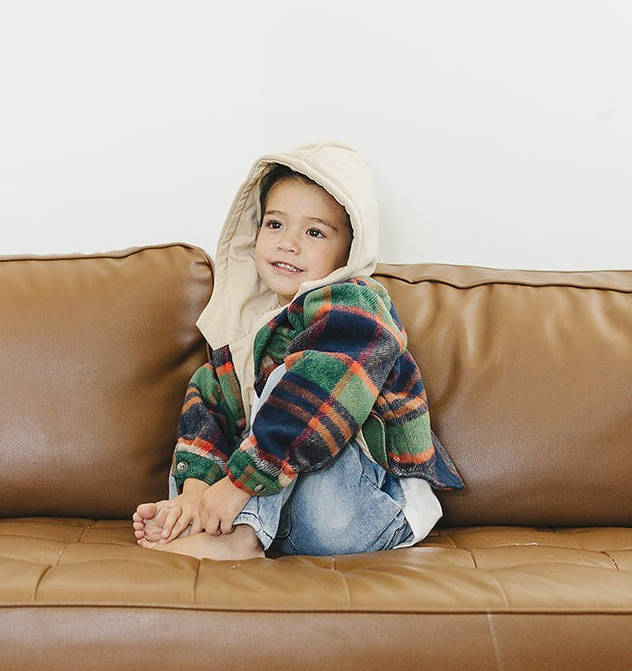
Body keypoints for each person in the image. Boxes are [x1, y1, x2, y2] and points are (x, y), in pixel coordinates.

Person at [132, 140, 463, 560]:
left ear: (349, 250)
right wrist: (197, 495)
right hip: (291, 526)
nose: (288, 243)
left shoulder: (355, 306)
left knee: (294, 386)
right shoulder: (245, 335)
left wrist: (235, 487)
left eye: (314, 232)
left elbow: (316, 398)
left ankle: (244, 538)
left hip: (365, 513)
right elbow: (208, 411)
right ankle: (207, 521)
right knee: (212, 388)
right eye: (274, 224)